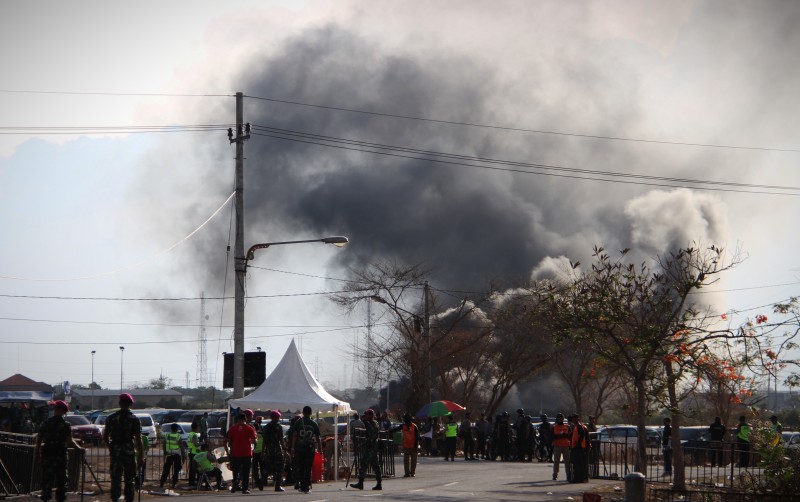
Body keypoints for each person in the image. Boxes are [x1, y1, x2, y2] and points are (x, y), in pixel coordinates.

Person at [35, 400, 83, 502]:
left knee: (47, 479)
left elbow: (39, 439)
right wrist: (79, 448)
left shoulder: (46, 423)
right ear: (64, 411)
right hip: (60, 454)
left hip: (48, 453)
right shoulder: (66, 424)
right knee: (61, 481)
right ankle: (60, 499)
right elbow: (69, 441)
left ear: (56, 410)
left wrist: (37, 452)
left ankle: (46, 498)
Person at [103, 394, 143, 502]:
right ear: (131, 404)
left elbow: (105, 436)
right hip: (129, 450)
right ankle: (129, 499)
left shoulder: (111, 418)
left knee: (116, 478)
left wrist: (110, 447)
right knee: (130, 479)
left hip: (116, 450)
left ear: (119, 403)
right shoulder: (134, 419)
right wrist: (141, 456)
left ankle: (115, 498)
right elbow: (138, 439)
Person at [289, 406, 321, 494]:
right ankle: (306, 487)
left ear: (303, 412)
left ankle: (301, 486)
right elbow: (318, 437)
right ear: (311, 413)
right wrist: (320, 449)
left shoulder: (298, 422)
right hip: (310, 448)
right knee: (308, 467)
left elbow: (294, 436)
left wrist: (292, 448)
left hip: (300, 447)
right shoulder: (313, 423)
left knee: (301, 467)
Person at [350, 409, 382, 491]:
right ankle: (379, 483)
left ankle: (361, 483)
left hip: (370, 448)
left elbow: (370, 438)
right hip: (373, 448)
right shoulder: (374, 423)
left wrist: (361, 445)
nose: (365, 416)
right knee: (376, 466)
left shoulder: (371, 424)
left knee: (364, 464)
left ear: (371, 415)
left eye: (367, 415)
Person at [226, 413, 257, 494]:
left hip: (235, 453)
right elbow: (254, 441)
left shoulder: (232, 429)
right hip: (246, 453)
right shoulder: (250, 428)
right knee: (246, 472)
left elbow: (226, 441)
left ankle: (235, 484)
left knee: (235, 471)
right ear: (245, 419)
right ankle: (245, 488)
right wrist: (253, 449)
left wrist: (228, 452)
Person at [263, 411, 287, 492]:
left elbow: (264, 440)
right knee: (280, 467)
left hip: (269, 448)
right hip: (277, 448)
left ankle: (261, 480)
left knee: (268, 466)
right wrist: (285, 450)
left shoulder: (266, 427)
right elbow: (281, 440)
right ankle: (277, 486)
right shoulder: (278, 427)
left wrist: (263, 451)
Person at [160, 423, 183, 489]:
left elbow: (164, 445)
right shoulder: (178, 436)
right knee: (176, 470)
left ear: (171, 428)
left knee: (166, 470)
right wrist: (184, 456)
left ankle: (162, 483)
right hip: (176, 455)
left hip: (169, 454)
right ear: (177, 429)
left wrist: (165, 453)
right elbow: (181, 447)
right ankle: (173, 484)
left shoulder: (167, 435)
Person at [569, 415, 590, 483]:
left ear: (578, 419)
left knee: (578, 464)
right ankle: (580, 478)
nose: (573, 420)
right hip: (578, 447)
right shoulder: (577, 426)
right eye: (573, 419)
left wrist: (578, 442)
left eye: (575, 418)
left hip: (579, 448)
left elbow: (582, 434)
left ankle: (578, 478)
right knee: (578, 464)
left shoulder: (579, 426)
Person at [551, 413, 572, 481]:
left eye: (561, 418)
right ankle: (555, 474)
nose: (560, 419)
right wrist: (560, 435)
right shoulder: (554, 427)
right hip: (557, 445)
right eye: (559, 418)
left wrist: (564, 435)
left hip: (566, 445)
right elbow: (552, 436)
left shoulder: (567, 426)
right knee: (556, 461)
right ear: (557, 419)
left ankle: (568, 475)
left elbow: (570, 435)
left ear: (563, 419)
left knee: (567, 461)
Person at [251, 416, 265, 490]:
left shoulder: (262, 429)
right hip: (255, 451)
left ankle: (261, 481)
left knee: (260, 468)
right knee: (256, 468)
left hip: (260, 451)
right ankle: (258, 481)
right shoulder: (253, 429)